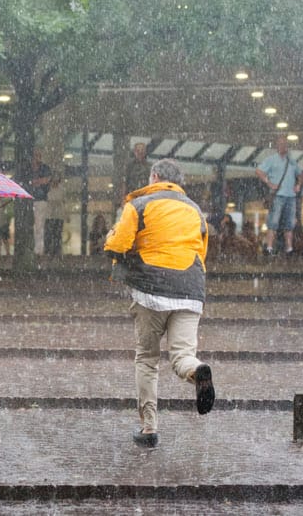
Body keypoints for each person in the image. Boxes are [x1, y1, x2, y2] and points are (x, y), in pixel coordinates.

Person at [104, 158, 215, 448]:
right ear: (179, 182)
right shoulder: (195, 210)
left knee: (147, 359)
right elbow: (202, 251)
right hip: (190, 289)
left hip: (151, 291)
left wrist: (110, 237)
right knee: (182, 357)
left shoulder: (139, 205)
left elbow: (119, 244)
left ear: (154, 176)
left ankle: (149, 428)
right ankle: (198, 370)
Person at [256, 135, 303, 255]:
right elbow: (259, 171)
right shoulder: (271, 159)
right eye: (281, 144)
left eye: (285, 144)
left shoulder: (292, 161)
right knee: (273, 222)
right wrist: (269, 183)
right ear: (277, 146)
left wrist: (298, 184)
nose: (284, 147)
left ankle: (289, 248)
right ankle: (269, 247)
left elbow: (301, 174)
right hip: (277, 195)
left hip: (291, 196)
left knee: (289, 224)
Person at [28, 149, 52, 255]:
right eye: (34, 156)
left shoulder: (44, 168)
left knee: (39, 225)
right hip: (30, 200)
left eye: (38, 155)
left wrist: (35, 182)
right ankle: (34, 248)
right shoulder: (28, 169)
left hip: (40, 200)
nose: (36, 158)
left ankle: (39, 249)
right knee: (32, 225)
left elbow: (47, 180)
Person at [121, 142, 151, 208]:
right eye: (138, 150)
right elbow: (125, 182)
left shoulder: (149, 167)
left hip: (145, 196)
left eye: (142, 150)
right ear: (134, 152)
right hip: (132, 195)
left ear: (145, 152)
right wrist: (123, 198)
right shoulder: (129, 166)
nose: (140, 153)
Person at [44, 175, 66, 256]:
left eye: (57, 180)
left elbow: (63, 202)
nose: (55, 182)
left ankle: (56, 251)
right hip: (49, 215)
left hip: (59, 215)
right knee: (49, 234)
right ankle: (48, 251)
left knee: (57, 235)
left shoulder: (62, 190)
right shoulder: (48, 189)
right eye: (54, 180)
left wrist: (65, 214)